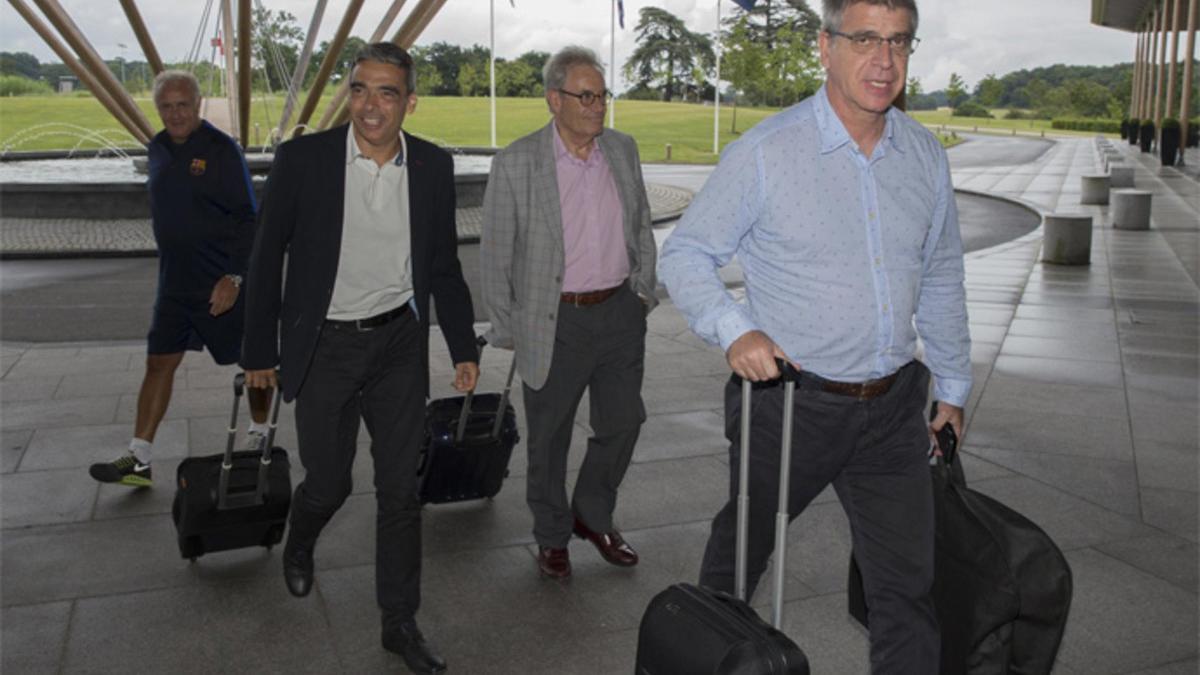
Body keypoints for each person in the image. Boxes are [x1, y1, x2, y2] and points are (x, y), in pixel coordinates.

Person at [658, 1, 971, 671]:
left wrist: (953, 384)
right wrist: (736, 329)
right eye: (864, 39)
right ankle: (702, 656)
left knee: (906, 590)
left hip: (893, 407)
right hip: (792, 402)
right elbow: (685, 254)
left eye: (898, 41)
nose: (883, 60)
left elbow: (942, 272)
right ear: (825, 48)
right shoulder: (767, 152)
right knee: (737, 559)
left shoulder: (922, 156)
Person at [240, 43, 478, 675]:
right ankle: (303, 537)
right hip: (325, 347)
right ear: (349, 93)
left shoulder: (431, 165)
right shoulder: (304, 161)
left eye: (387, 93)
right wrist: (259, 352)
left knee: (401, 492)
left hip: (398, 341)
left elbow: (442, 265)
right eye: (360, 90)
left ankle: (398, 622)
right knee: (331, 481)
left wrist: (462, 346)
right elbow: (266, 261)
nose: (371, 106)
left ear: (409, 101)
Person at [480, 46, 658, 580]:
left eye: (602, 95)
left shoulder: (622, 150)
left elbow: (641, 226)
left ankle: (592, 512)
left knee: (624, 422)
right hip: (554, 321)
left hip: (620, 314)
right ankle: (553, 535)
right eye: (586, 95)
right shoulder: (516, 162)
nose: (598, 106)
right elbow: (494, 253)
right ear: (554, 99)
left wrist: (642, 292)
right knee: (550, 437)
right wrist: (510, 327)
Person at [89, 70, 271, 488]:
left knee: (255, 362)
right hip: (174, 285)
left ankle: (260, 435)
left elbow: (248, 217)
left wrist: (235, 277)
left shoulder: (221, 151)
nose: (175, 114)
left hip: (220, 283)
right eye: (167, 107)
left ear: (198, 105)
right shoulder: (156, 148)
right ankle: (139, 459)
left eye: (182, 105)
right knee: (158, 363)